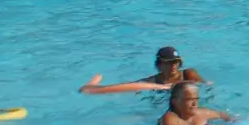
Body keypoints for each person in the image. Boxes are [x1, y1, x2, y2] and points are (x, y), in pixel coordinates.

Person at [79, 46, 207, 95]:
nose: (173, 65)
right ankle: (91, 86)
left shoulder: (188, 73)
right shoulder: (151, 82)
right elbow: (128, 88)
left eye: (175, 62)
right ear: (159, 65)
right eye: (168, 63)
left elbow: (204, 85)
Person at [159, 82, 233, 125]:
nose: (194, 104)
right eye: (189, 99)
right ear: (175, 101)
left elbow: (228, 117)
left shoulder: (202, 113)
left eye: (196, 99)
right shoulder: (169, 118)